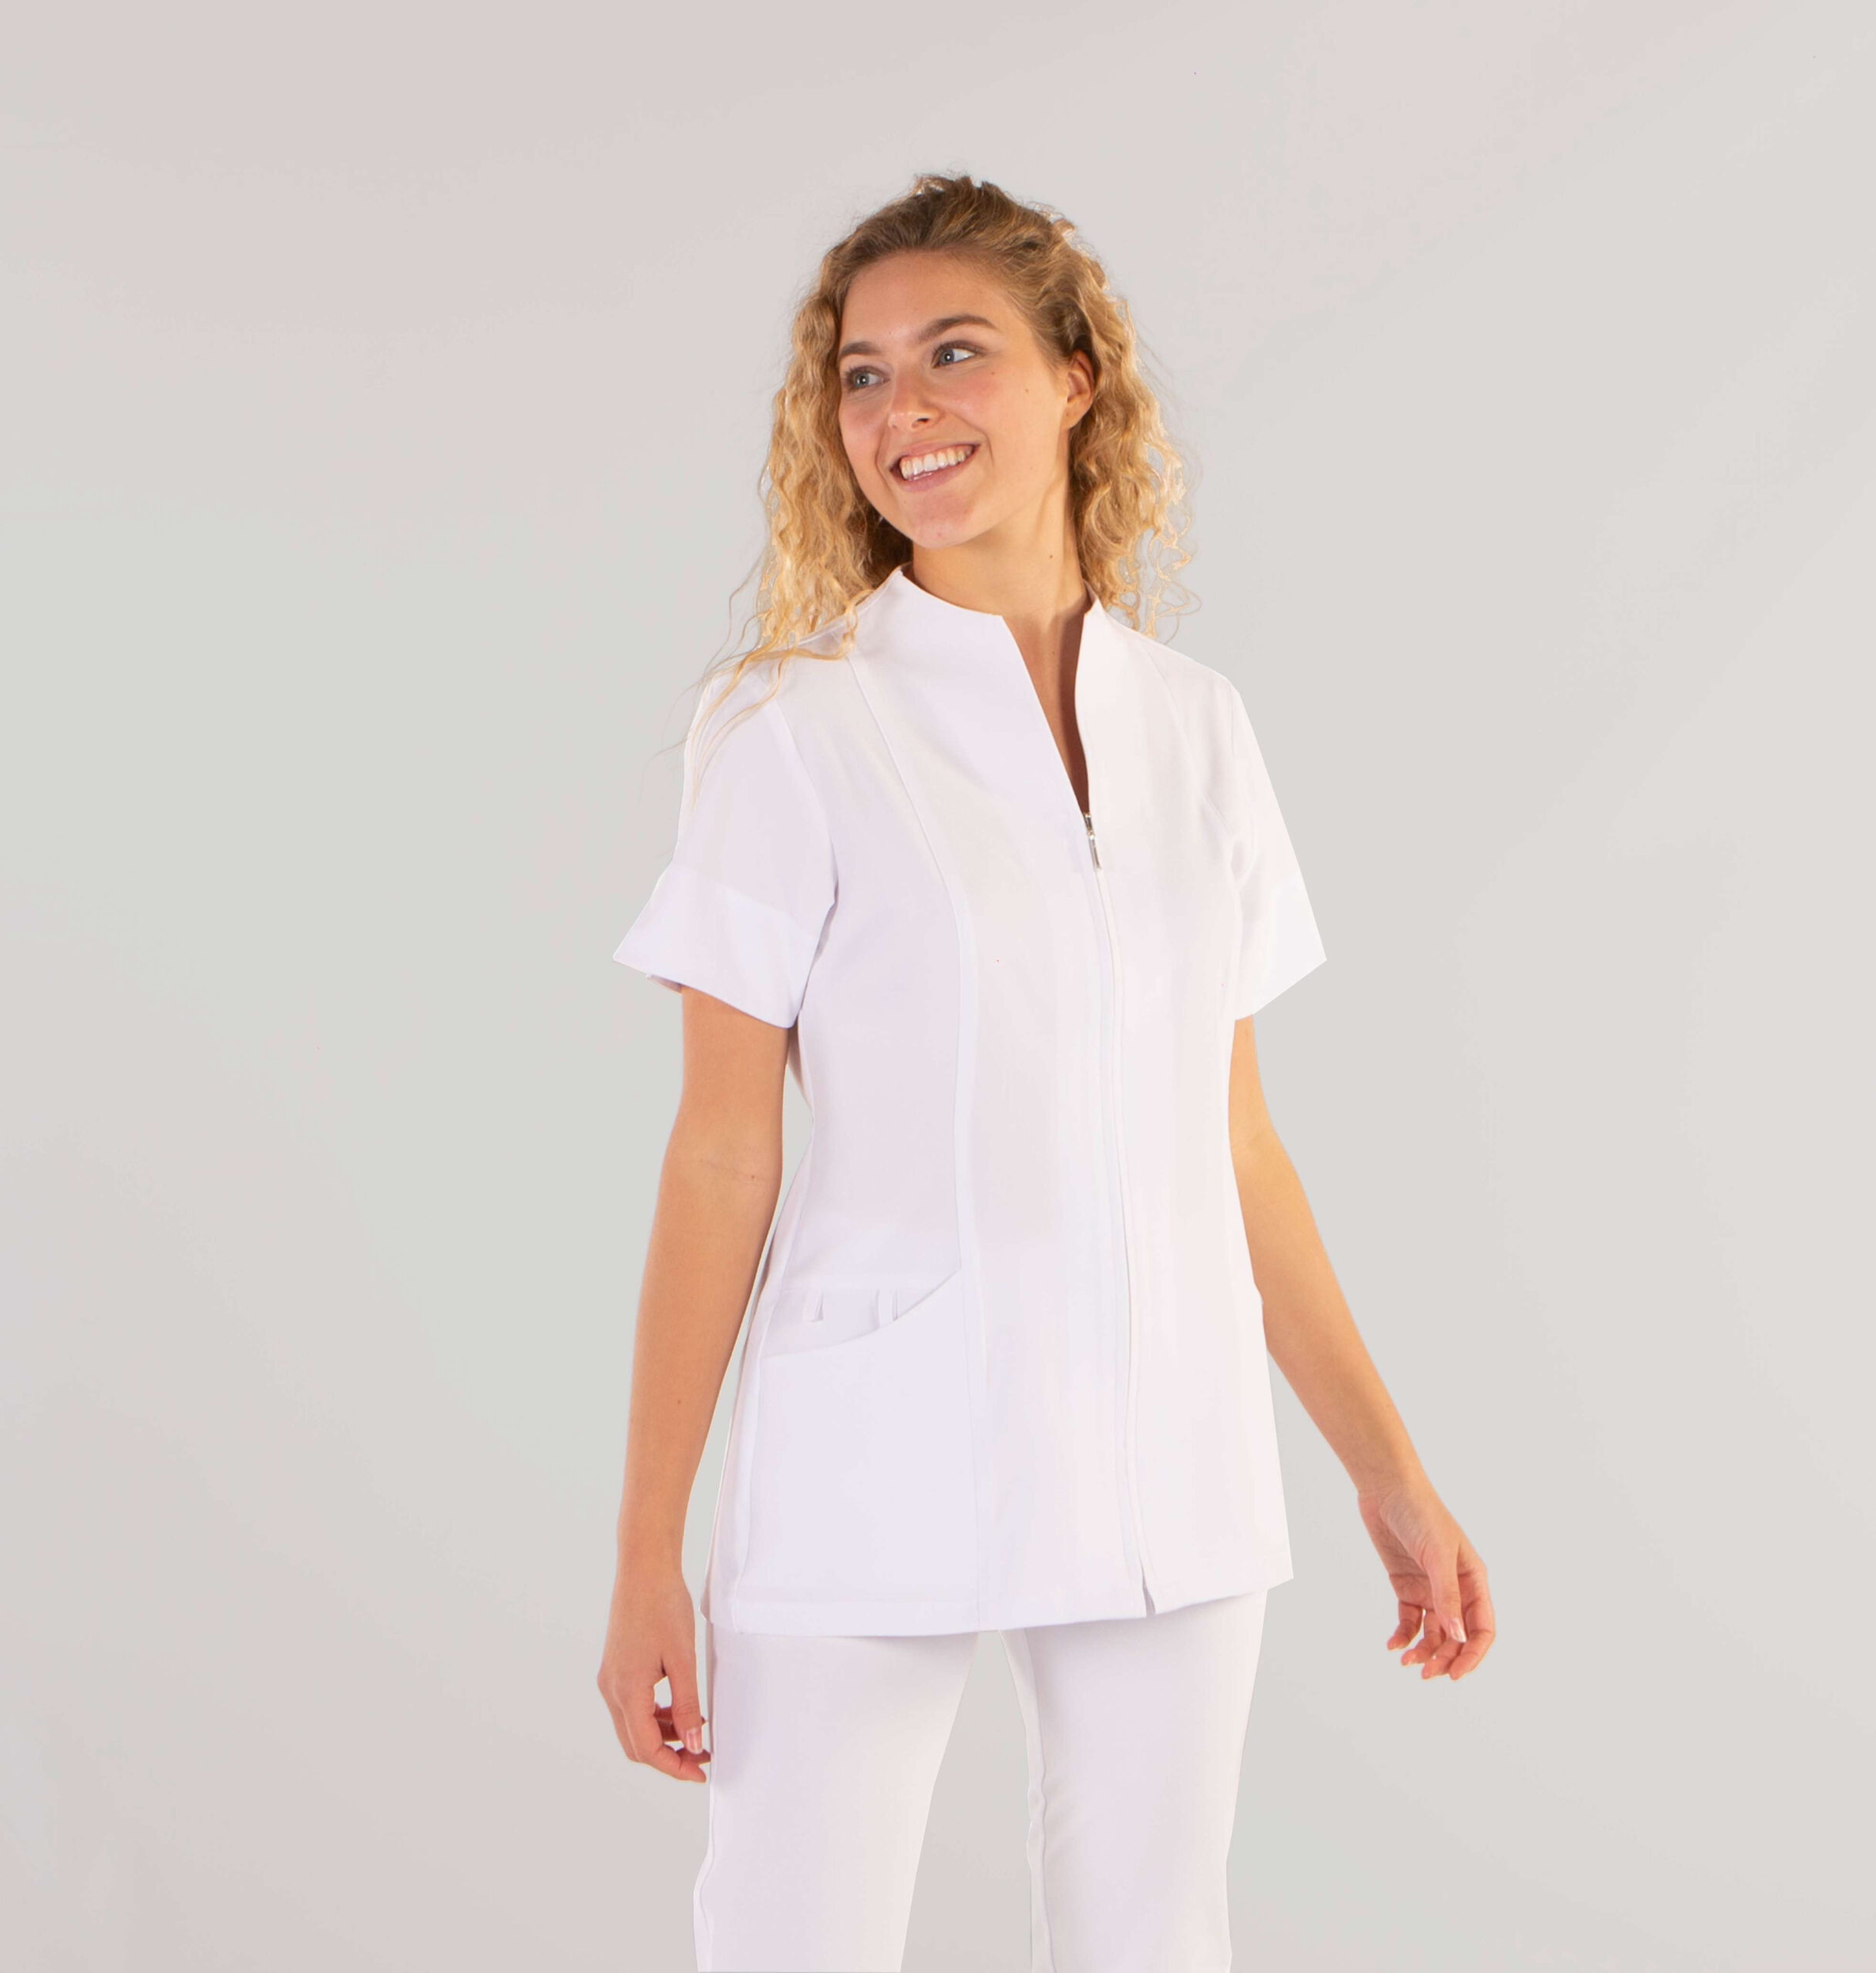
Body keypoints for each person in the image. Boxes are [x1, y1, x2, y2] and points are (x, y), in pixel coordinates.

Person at [597, 172, 1495, 1973]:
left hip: (1168, 1439)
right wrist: (644, 1551)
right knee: (790, 1940)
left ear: (1077, 376)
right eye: (860, 374)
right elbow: (720, 1154)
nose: (901, 410)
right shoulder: (792, 725)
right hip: (874, 1438)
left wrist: (1387, 1470)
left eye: (955, 353)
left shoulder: (1197, 728)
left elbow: (1234, 1144)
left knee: (1151, 1938)